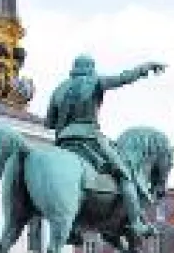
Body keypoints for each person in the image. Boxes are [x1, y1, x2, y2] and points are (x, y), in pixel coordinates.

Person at [45, 54, 166, 238]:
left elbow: (49, 123)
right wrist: (145, 68)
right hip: (89, 137)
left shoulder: (58, 90)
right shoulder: (94, 81)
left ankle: (73, 226)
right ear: (90, 69)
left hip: (63, 142)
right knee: (125, 173)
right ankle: (135, 223)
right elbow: (123, 78)